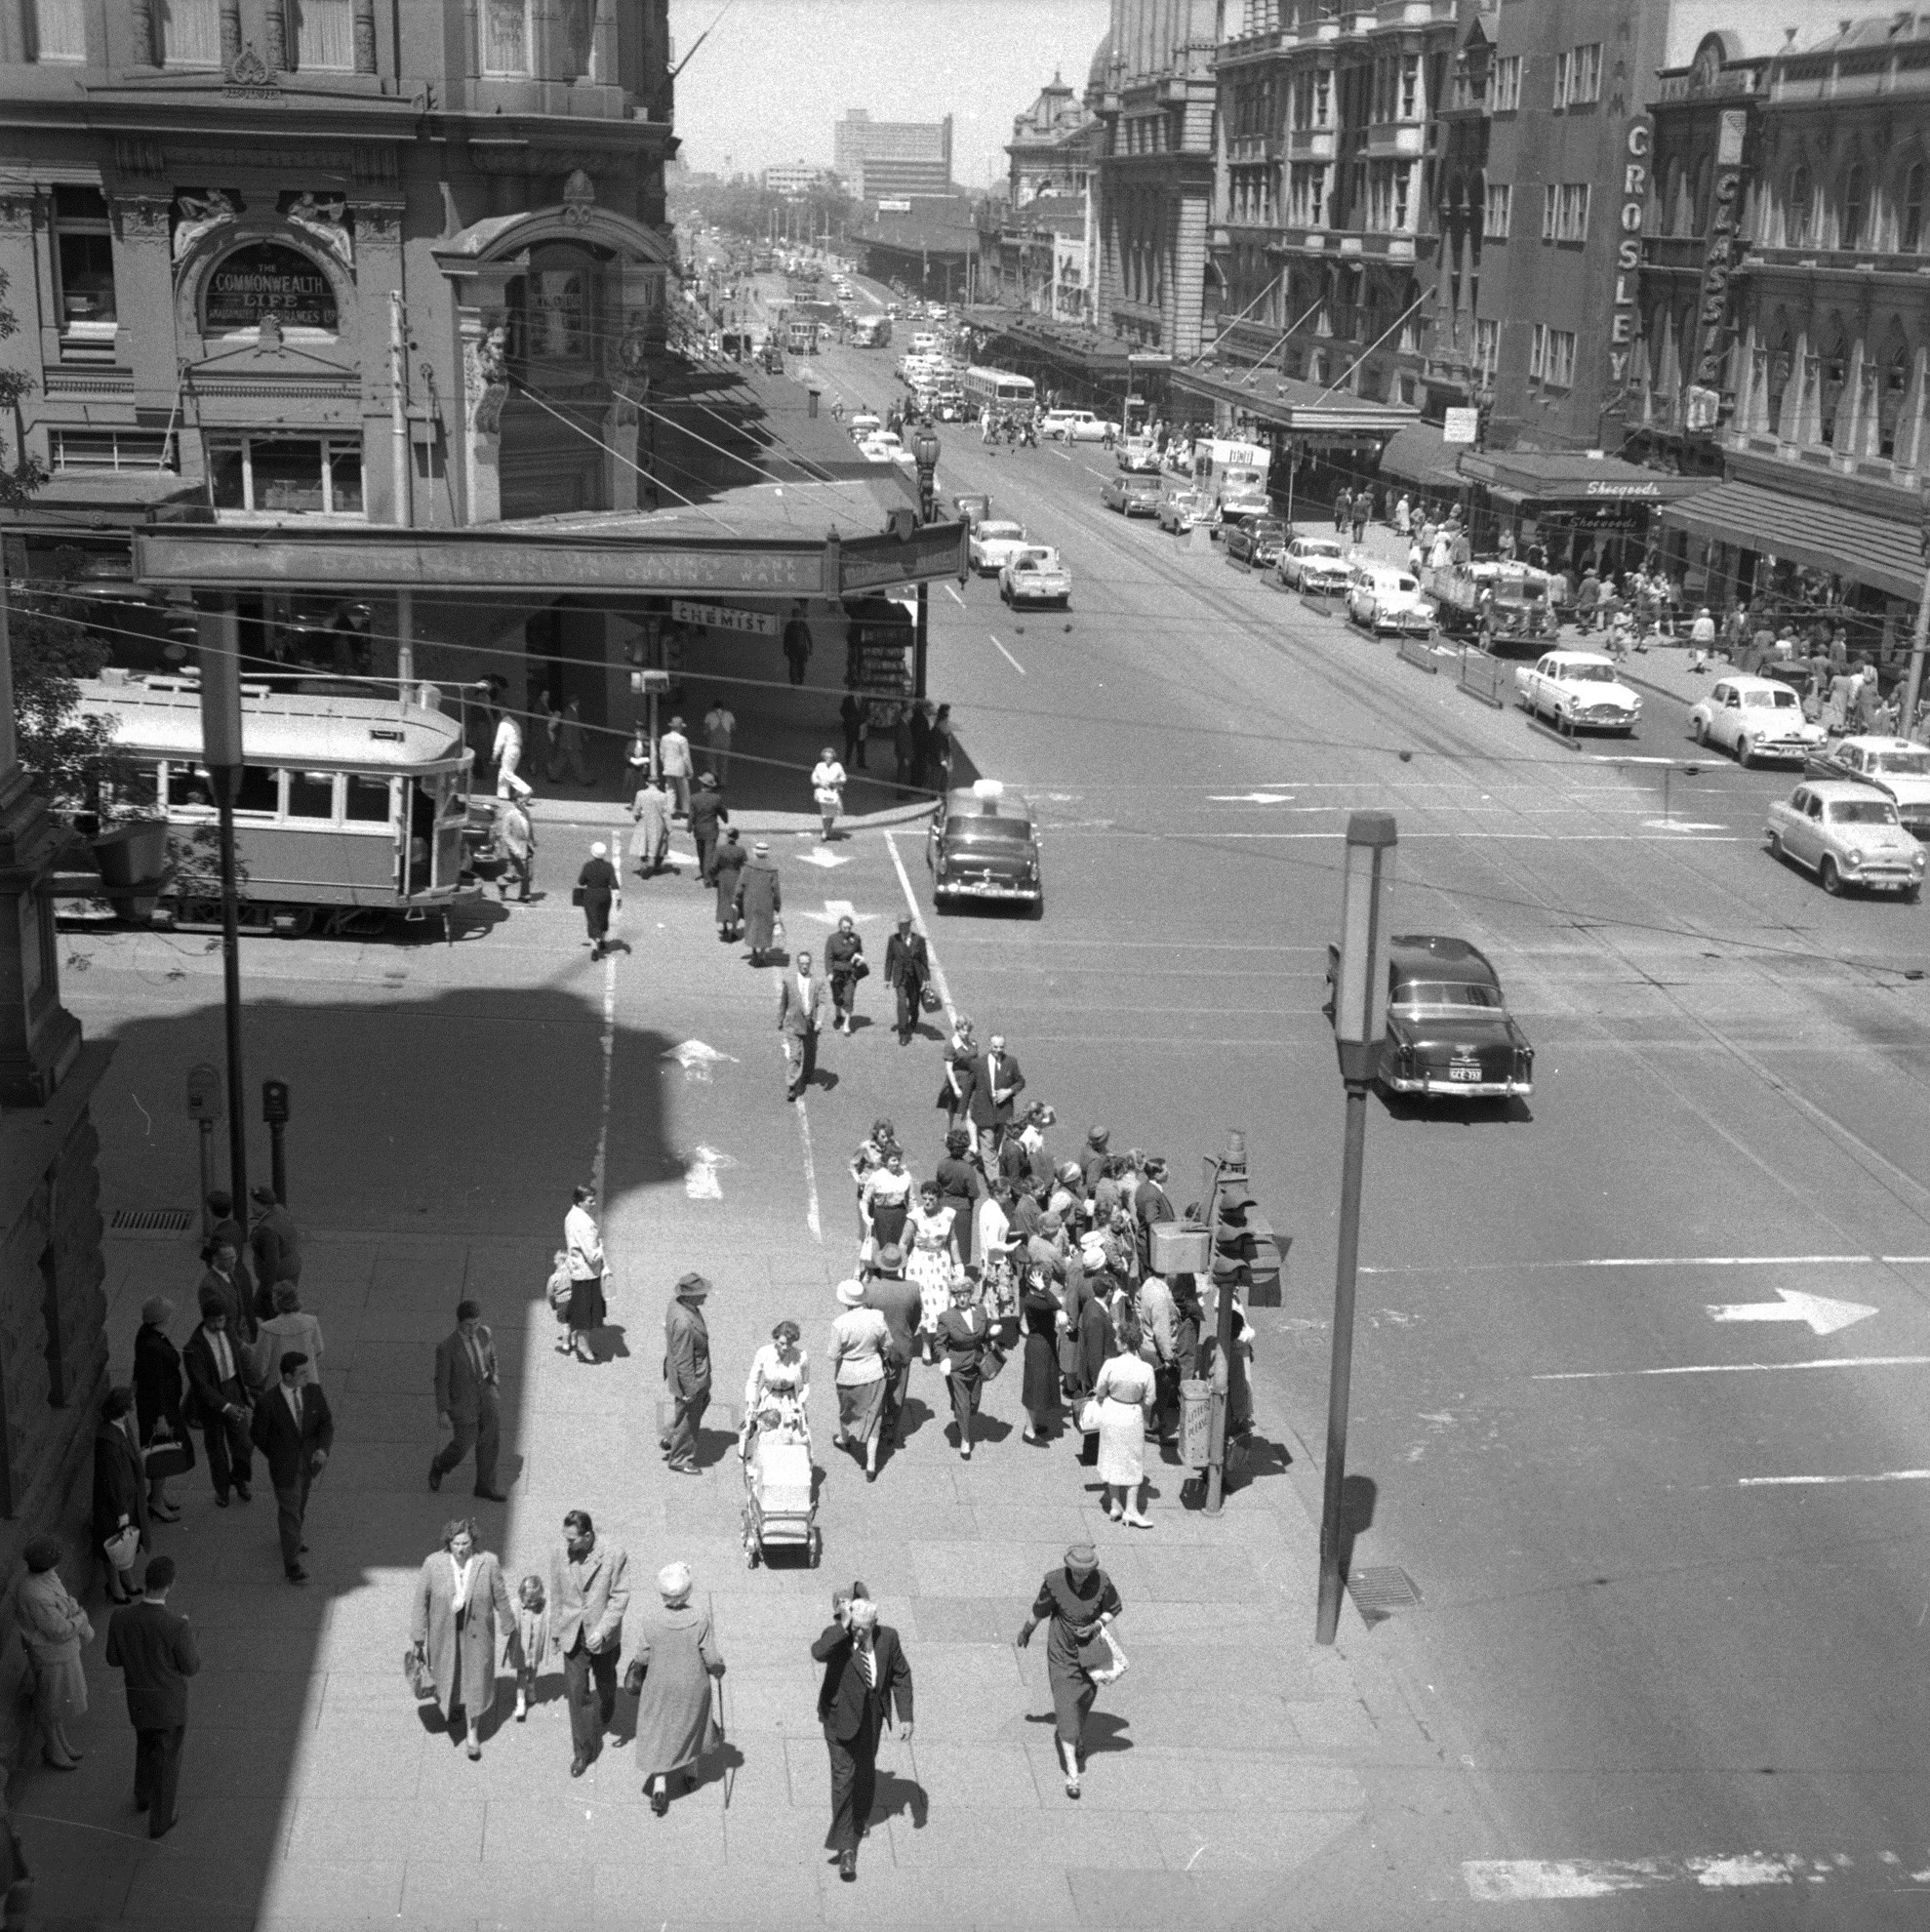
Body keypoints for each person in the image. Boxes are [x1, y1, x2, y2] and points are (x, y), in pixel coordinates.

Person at [813, 1591, 913, 1882]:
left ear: (875, 1624)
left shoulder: (889, 1638)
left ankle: (859, 1817)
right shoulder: (838, 1638)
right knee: (844, 1777)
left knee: (865, 1772)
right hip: (839, 1717)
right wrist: (844, 1627)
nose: (858, 1632)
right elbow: (818, 1652)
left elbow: (901, 1674)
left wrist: (905, 1715)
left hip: (871, 1716)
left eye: (863, 1628)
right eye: (855, 1626)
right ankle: (846, 1849)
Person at [1016, 1543, 1124, 1799]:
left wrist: (1097, 1624)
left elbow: (1113, 1609)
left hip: (1089, 1650)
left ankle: (1077, 1734)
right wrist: (1026, 1631)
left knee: (1085, 1698)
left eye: (1085, 1573)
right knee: (1065, 1708)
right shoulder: (1054, 1582)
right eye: (1076, 1572)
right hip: (1062, 1651)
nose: (1080, 1577)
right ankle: (1072, 1774)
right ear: (1068, 1567)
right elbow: (1039, 1610)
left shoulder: (1102, 1582)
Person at [103, 1554, 199, 1839]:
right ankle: (161, 1819)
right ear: (170, 1585)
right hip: (169, 1704)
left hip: (139, 1700)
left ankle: (142, 1795)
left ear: (146, 1582)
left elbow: (112, 1658)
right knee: (167, 1760)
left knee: (145, 1745)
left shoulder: (121, 1618)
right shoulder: (177, 1627)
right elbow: (191, 1667)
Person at [625, 1563, 725, 1815]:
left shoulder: (651, 1618)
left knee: (660, 1730)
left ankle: (660, 1786)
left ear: (662, 1593)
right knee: (691, 1725)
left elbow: (642, 1655)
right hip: (692, 1684)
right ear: (687, 1592)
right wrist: (719, 1670)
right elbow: (711, 1658)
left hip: (660, 1683)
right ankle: (690, 1772)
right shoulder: (700, 1618)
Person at [410, 1518, 514, 1760]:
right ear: (448, 1542)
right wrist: (418, 1637)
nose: (461, 1548)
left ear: (472, 1541)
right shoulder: (433, 1563)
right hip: (444, 1634)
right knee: (451, 1674)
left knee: (475, 1680)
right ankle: (454, 1705)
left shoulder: (488, 1562)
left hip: (477, 1636)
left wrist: (509, 1626)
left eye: (465, 1543)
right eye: (456, 1543)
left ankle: (473, 1732)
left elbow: (500, 1595)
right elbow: (420, 1602)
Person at [551, 1509, 631, 1778]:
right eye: (566, 1538)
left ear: (588, 1536)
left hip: (602, 1635)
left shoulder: (613, 1554)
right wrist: (555, 1632)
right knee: (577, 1694)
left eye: (573, 1540)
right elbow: (557, 1593)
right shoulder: (560, 1554)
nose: (568, 1545)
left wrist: (604, 1629)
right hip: (573, 1635)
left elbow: (619, 1597)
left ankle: (608, 1700)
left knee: (606, 1680)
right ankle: (582, 1752)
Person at [250, 1351, 333, 1584]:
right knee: (290, 1512)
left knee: (300, 1505)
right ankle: (292, 1566)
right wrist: (276, 1455)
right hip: (284, 1467)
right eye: (302, 1373)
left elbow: (326, 1423)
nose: (308, 1376)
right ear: (287, 1376)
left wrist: (323, 1449)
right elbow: (258, 1435)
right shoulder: (268, 1402)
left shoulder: (313, 1392)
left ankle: (293, 1538)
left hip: (309, 1463)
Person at [16, 1536, 91, 1771]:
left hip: (60, 1653)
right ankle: (53, 1748)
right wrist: (81, 1618)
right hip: (50, 1655)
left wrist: (72, 1613)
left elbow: (65, 1603)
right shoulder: (35, 1593)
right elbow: (59, 1630)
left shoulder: (45, 1579)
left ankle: (60, 1742)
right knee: (49, 1703)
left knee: (56, 1701)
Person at [429, 1300, 504, 1501]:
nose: (473, 1329)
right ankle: (440, 1465)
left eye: (476, 1324)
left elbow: (491, 1355)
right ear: (459, 1323)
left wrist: (493, 1376)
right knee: (463, 1443)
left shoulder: (483, 1333)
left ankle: (485, 1486)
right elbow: (441, 1381)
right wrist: (443, 1411)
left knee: (490, 1439)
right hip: (463, 1401)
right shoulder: (447, 1348)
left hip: (485, 1394)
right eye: (468, 1325)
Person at [182, 1297, 254, 1506]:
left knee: (243, 1442)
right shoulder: (194, 1347)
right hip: (212, 1400)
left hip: (233, 1388)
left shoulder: (228, 1331)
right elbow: (201, 1385)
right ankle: (222, 1489)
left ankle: (240, 1479)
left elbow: (237, 1360)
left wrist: (244, 1388)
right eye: (215, 1322)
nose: (220, 1326)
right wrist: (225, 1406)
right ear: (206, 1319)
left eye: (222, 1320)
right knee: (216, 1448)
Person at [1093, 1316, 1157, 1527]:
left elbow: (1100, 1389)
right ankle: (1131, 1509)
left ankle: (1114, 1504)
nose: (1115, 1341)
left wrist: (1105, 1396)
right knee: (1132, 1459)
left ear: (1125, 1343)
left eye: (1118, 1339)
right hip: (1132, 1415)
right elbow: (1150, 1399)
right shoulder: (1146, 1369)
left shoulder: (1110, 1364)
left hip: (1111, 1412)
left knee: (1111, 1455)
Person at [132, 1298, 188, 1525]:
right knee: (161, 1453)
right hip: (159, 1410)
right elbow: (157, 1385)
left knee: (158, 1451)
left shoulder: (146, 1335)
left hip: (153, 1407)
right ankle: (156, 1501)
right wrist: (161, 1417)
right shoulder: (154, 1347)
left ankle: (157, 1493)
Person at [829, 1280, 891, 1480]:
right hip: (874, 1372)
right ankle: (871, 1465)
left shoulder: (840, 1324)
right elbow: (887, 1343)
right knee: (875, 1417)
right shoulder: (877, 1317)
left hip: (848, 1374)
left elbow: (832, 1354)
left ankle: (845, 1439)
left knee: (847, 1409)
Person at [93, 1387, 149, 1605]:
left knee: (126, 1542)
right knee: (113, 1544)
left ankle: (126, 1579)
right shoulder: (109, 1441)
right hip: (116, 1504)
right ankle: (115, 1587)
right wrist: (121, 1512)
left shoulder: (118, 1429)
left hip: (125, 1499)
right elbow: (113, 1481)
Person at [933, 1274, 992, 1460]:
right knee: (963, 1404)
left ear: (970, 1294)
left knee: (974, 1403)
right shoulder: (947, 1317)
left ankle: (961, 1417)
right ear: (954, 1296)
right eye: (958, 1295)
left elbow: (985, 1336)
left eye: (965, 1294)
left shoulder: (981, 1311)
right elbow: (939, 1344)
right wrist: (944, 1358)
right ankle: (965, 1440)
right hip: (957, 1366)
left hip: (977, 1364)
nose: (962, 1298)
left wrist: (993, 1333)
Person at [663, 1271, 712, 1475]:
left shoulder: (677, 1304)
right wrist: (691, 1389)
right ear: (689, 1296)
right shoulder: (684, 1323)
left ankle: (671, 1437)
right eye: (701, 1293)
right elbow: (684, 1360)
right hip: (691, 1377)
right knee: (689, 1418)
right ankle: (679, 1458)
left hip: (695, 1373)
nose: (705, 1296)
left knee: (697, 1406)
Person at [905, 1182, 960, 1354]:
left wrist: (958, 1264)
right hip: (920, 1263)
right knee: (925, 1305)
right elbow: (903, 1242)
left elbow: (952, 1240)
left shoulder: (948, 1215)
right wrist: (900, 1266)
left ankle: (940, 1342)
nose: (927, 1202)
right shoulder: (915, 1217)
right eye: (925, 1198)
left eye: (932, 1199)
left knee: (943, 1302)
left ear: (939, 1199)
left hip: (941, 1262)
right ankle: (926, 1346)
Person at [742, 1319, 810, 1445]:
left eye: (790, 1344)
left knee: (791, 1438)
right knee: (766, 1436)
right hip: (769, 1399)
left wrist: (800, 1403)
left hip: (790, 1402)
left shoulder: (802, 1356)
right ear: (776, 1338)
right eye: (782, 1343)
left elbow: (805, 1384)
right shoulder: (764, 1353)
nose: (785, 1347)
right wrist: (751, 1404)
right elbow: (753, 1381)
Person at [1019, 1265, 1063, 1444]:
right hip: (1039, 1347)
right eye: (1046, 1280)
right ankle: (1029, 1431)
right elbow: (1056, 1304)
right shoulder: (1032, 1300)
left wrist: (1043, 1289)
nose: (1049, 1283)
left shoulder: (1037, 1298)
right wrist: (1044, 1288)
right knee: (1035, 1390)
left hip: (1044, 1344)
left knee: (1040, 1387)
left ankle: (1034, 1424)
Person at [563, 1184, 607, 1365]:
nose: (594, 1203)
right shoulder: (584, 1223)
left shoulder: (572, 1215)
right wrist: (602, 1248)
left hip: (578, 1270)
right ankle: (584, 1348)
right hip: (587, 1273)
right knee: (586, 1315)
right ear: (581, 1202)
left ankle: (578, 1341)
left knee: (581, 1311)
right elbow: (592, 1255)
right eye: (590, 1201)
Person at [966, 1032, 1025, 1162]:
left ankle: (986, 1159)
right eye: (995, 1047)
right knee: (988, 1140)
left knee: (997, 1141)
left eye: (1001, 1047)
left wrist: (1009, 1091)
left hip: (1003, 1110)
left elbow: (1020, 1082)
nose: (998, 1050)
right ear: (989, 1046)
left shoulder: (1011, 1062)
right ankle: (992, 1173)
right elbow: (969, 1086)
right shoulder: (978, 1063)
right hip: (985, 1108)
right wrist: (963, 1108)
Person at [252, 1282, 324, 1390]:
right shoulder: (311, 1322)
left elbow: (259, 1366)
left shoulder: (267, 1329)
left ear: (278, 1302)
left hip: (279, 1387)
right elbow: (319, 1350)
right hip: (308, 1383)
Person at [778, 946, 826, 1103]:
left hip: (810, 1024)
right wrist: (780, 1019)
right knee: (795, 1055)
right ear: (797, 964)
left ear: (810, 964)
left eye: (807, 963)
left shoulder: (818, 982)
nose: (804, 966)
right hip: (793, 1023)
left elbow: (823, 1003)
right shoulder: (789, 981)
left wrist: (819, 1021)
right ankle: (792, 1086)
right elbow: (784, 1001)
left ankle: (807, 1075)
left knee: (810, 1052)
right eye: (801, 963)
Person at [198, 1236, 257, 1348]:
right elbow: (214, 1322)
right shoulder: (208, 1287)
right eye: (228, 1258)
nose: (234, 1261)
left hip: (240, 1335)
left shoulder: (228, 1273)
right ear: (216, 1260)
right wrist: (238, 1343)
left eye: (234, 1256)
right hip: (228, 1341)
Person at [860, 1146, 914, 1264]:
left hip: (900, 1215)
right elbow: (865, 1199)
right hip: (882, 1216)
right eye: (894, 1160)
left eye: (899, 1160)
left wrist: (914, 1218)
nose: (897, 1163)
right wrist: (866, 1216)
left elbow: (911, 1200)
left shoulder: (906, 1176)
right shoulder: (877, 1177)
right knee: (884, 1247)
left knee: (901, 1246)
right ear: (886, 1161)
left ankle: (900, 1272)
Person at [882, 912, 930, 1046]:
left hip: (915, 978)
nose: (902, 927)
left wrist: (927, 978)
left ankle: (913, 1020)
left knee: (914, 1004)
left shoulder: (919, 940)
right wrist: (887, 978)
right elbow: (889, 959)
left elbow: (924, 960)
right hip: (900, 978)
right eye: (900, 925)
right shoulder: (893, 939)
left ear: (910, 925)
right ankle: (903, 1032)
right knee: (902, 1003)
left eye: (905, 924)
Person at [509, 1574, 551, 1722]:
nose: (532, 1604)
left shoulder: (544, 1606)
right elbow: (508, 1619)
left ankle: (531, 1686)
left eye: (536, 1600)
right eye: (529, 1600)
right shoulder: (516, 1605)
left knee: (533, 1667)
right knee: (521, 1671)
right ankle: (520, 1700)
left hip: (535, 1645)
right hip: (521, 1646)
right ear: (521, 1594)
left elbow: (553, 1612)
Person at [736, 839, 783, 966]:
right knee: (765, 928)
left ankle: (753, 950)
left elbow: (740, 884)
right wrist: (777, 906)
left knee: (752, 925)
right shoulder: (772, 869)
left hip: (750, 901)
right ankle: (762, 951)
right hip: (766, 903)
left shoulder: (748, 866)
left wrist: (736, 899)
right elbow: (776, 890)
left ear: (755, 852)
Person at [249, 1186, 302, 1294]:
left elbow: (271, 1262)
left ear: (266, 1206)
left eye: (255, 1203)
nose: (251, 1205)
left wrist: (267, 1290)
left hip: (277, 1279)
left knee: (270, 1307)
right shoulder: (279, 1210)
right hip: (292, 1267)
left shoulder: (267, 1229)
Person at [577, 841, 621, 959]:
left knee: (592, 920)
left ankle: (594, 948)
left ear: (593, 853)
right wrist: (618, 896)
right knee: (603, 918)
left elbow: (581, 882)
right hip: (605, 895)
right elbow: (614, 884)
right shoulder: (608, 866)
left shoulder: (588, 866)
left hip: (591, 894)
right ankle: (601, 940)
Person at [825, 912, 865, 1034]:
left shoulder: (856, 938)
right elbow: (828, 957)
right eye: (844, 928)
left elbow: (859, 951)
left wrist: (858, 959)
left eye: (849, 928)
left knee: (849, 997)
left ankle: (846, 1024)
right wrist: (829, 972)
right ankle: (838, 1013)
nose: (847, 930)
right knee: (838, 998)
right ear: (839, 927)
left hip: (850, 972)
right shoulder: (832, 939)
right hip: (837, 972)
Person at [705, 827, 745, 944]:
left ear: (727, 837)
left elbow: (713, 866)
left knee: (723, 901)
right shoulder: (741, 850)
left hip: (723, 877)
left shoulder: (720, 850)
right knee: (735, 903)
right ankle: (733, 931)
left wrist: (711, 878)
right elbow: (744, 865)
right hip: (736, 877)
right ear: (737, 837)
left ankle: (724, 926)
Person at [937, 1015, 976, 1132]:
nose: (966, 1033)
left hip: (970, 1080)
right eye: (963, 1030)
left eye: (968, 1030)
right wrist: (955, 1088)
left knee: (969, 1109)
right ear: (957, 1029)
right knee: (951, 1109)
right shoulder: (951, 1045)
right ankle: (948, 1132)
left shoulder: (973, 1043)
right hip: (957, 1080)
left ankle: (970, 1135)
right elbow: (949, 1068)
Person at [628, 774, 672, 878]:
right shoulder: (663, 796)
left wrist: (637, 818)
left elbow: (636, 811)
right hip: (658, 823)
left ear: (647, 783)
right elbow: (666, 814)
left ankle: (646, 864)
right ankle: (653, 865)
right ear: (658, 783)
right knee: (657, 845)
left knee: (644, 844)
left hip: (644, 823)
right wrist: (670, 829)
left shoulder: (640, 794)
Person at [688, 772, 728, 886]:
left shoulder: (694, 798)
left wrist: (688, 829)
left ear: (701, 784)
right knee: (709, 855)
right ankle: (708, 878)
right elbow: (722, 812)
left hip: (698, 830)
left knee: (701, 853)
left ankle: (703, 872)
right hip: (711, 830)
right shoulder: (716, 798)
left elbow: (691, 815)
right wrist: (725, 820)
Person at [497, 794, 536, 902]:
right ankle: (501, 883)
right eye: (521, 802)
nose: (524, 805)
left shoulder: (526, 813)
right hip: (516, 849)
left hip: (527, 847)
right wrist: (515, 848)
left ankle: (524, 895)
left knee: (528, 873)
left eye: (525, 802)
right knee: (515, 875)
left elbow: (529, 827)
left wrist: (533, 840)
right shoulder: (510, 815)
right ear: (515, 802)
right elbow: (506, 835)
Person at [492, 702, 532, 800]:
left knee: (507, 772)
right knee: (504, 771)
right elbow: (520, 739)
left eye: (501, 710)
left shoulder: (503, 724)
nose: (500, 712)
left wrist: (495, 752)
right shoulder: (515, 724)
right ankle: (503, 793)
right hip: (517, 749)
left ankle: (525, 789)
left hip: (509, 749)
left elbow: (500, 739)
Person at [660, 716, 693, 821]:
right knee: (684, 790)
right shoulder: (682, 740)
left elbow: (662, 754)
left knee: (670, 789)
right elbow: (686, 757)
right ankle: (686, 811)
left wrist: (664, 764)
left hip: (668, 767)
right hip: (680, 768)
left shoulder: (664, 738)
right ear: (679, 728)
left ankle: (671, 810)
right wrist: (690, 770)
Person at [811, 747, 846, 841]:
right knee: (825, 813)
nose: (828, 759)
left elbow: (843, 778)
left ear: (833, 757)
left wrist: (836, 781)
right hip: (823, 791)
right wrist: (820, 782)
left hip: (834, 792)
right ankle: (825, 831)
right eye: (826, 757)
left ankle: (828, 830)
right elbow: (814, 778)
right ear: (823, 757)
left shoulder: (838, 766)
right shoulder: (819, 766)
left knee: (832, 813)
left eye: (830, 757)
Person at [783, 603, 814, 685]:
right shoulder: (789, 626)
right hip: (792, 650)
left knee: (802, 667)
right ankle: (793, 681)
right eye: (794, 617)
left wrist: (811, 648)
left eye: (797, 617)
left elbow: (809, 637)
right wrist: (785, 648)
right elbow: (785, 638)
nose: (796, 619)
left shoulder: (804, 625)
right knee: (792, 667)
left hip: (802, 650)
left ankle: (800, 679)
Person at [839, 688, 866, 769]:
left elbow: (867, 710)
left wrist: (865, 719)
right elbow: (843, 710)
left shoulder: (864, 699)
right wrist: (849, 718)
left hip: (861, 726)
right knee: (849, 745)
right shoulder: (848, 700)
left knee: (861, 746)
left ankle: (861, 763)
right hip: (851, 726)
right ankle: (847, 761)